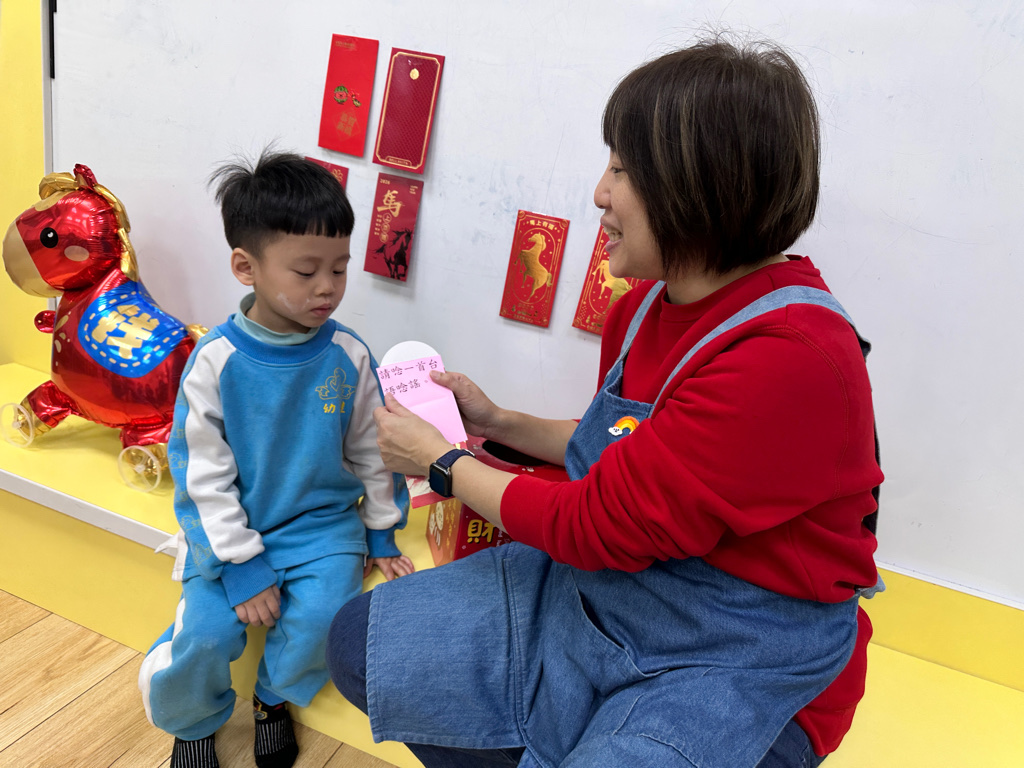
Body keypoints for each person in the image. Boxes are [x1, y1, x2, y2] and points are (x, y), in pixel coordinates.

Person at [327, 37, 882, 768]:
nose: (599, 193)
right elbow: (631, 452)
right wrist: (498, 422)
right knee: (363, 645)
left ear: (698, 184)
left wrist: (443, 466)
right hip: (614, 592)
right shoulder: (646, 305)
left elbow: (594, 523)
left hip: (739, 652)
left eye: (622, 169)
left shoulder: (789, 356)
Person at [138, 151, 414, 768]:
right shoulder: (215, 362)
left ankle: (272, 699)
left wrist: (381, 531)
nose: (327, 287)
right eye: (307, 270)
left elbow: (374, 449)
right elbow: (201, 476)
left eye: (339, 269)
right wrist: (240, 566)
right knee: (206, 635)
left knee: (323, 620)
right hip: (232, 533)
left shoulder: (349, 354)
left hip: (323, 531)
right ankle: (192, 724)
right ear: (246, 267)